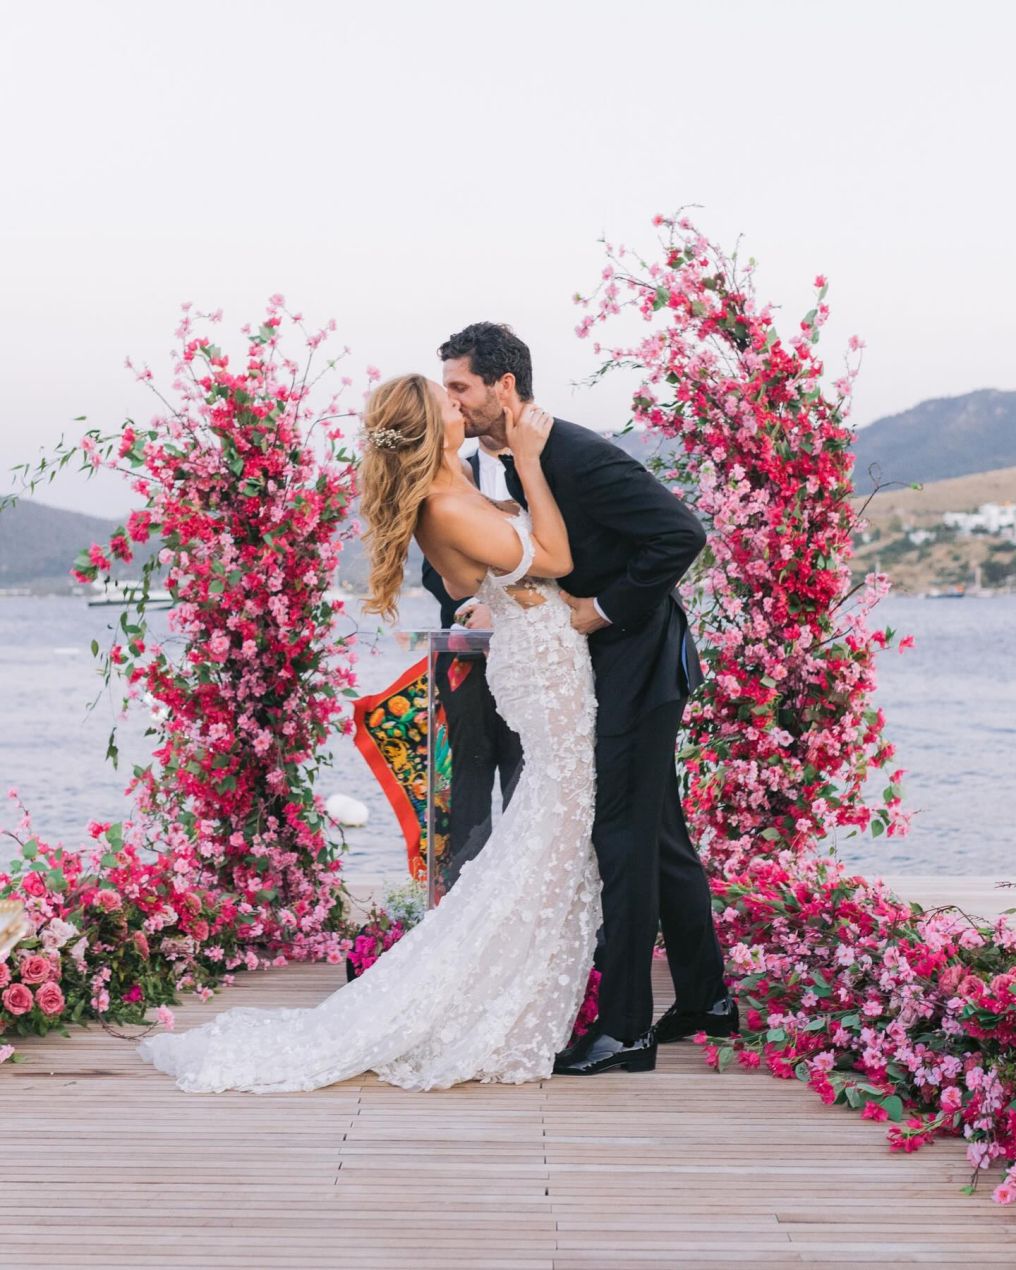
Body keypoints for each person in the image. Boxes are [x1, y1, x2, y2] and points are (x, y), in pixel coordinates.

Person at [138, 374, 603, 1092]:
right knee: (555, 825)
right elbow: (558, 560)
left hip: (540, 656)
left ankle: (511, 983)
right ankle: (490, 995)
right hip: (543, 670)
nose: (461, 404)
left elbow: (496, 567)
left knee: (549, 827)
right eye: (449, 402)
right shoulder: (446, 504)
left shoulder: (450, 488)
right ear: (433, 428)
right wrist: (535, 463)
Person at [439, 323, 736, 1076]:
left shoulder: (574, 452)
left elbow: (680, 533)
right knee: (658, 834)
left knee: (622, 837)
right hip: (595, 665)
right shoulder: (503, 460)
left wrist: (599, 610)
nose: (453, 401)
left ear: (504, 385)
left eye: (461, 387)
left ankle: (627, 1030)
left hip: (638, 662)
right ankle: (707, 1000)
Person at [420, 436, 524, 888]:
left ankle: (524, 886)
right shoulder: (447, 478)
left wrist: (504, 611)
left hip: (529, 656)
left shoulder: (540, 474)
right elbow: (432, 570)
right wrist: (476, 606)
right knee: (468, 770)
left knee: (527, 771)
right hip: (464, 660)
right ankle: (466, 887)